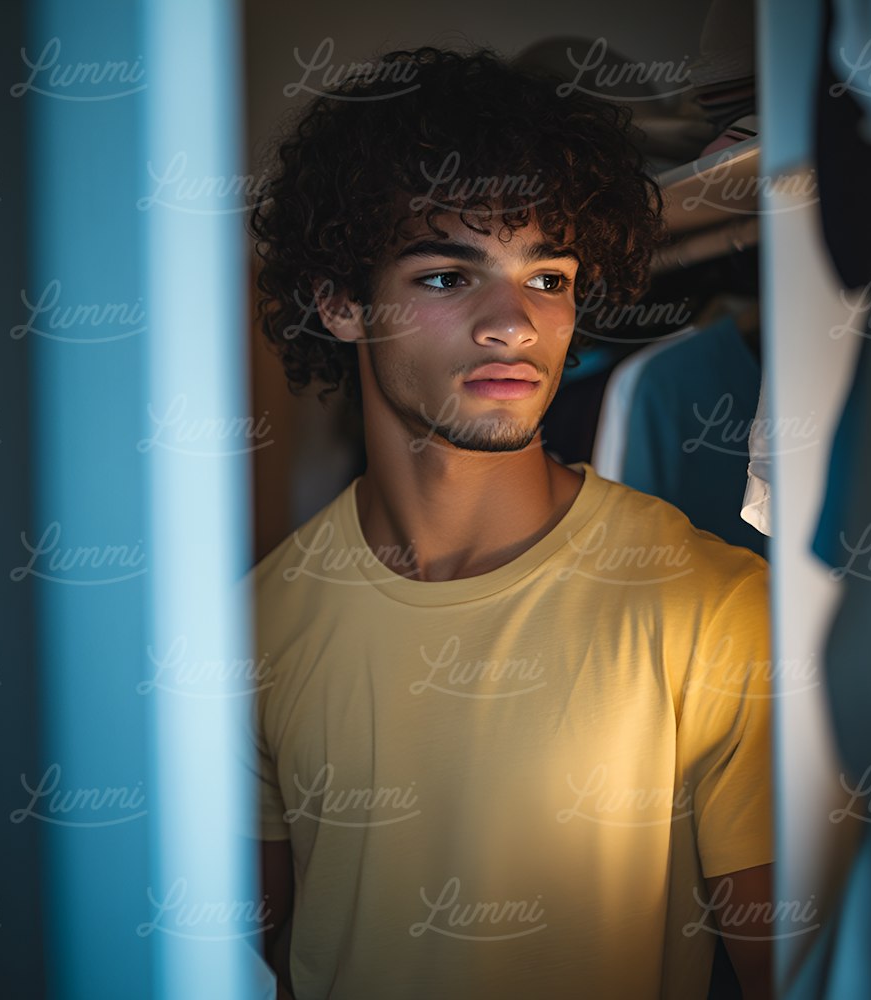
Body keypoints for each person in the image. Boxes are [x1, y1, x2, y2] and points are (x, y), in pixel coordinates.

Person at [243, 46, 774, 1000]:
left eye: (550, 277)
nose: (513, 324)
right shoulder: (253, 627)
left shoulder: (717, 608)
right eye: (449, 278)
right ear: (338, 303)